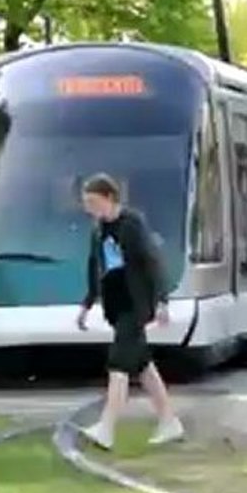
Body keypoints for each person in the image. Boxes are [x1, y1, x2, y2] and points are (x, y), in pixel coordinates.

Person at [76, 173, 184, 450]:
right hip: (116, 303)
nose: (90, 208)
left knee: (119, 364)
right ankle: (169, 421)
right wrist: (88, 303)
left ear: (109, 198)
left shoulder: (132, 224)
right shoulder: (98, 229)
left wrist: (161, 301)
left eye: (93, 202)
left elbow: (152, 262)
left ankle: (107, 428)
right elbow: (94, 265)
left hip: (136, 304)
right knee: (142, 364)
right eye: (87, 203)